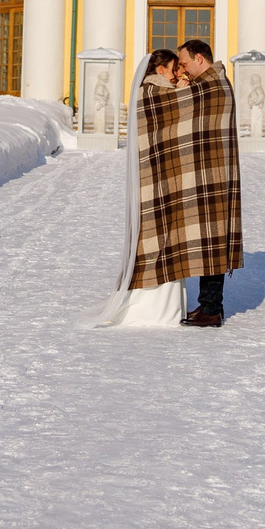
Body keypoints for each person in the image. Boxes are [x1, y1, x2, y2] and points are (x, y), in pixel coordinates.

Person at [94, 49, 186, 328]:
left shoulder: (152, 91)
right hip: (156, 178)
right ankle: (152, 309)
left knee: (163, 236)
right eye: (174, 69)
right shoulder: (155, 92)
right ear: (160, 71)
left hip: (158, 177)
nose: (178, 74)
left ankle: (157, 306)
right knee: (160, 237)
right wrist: (183, 92)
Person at [170, 39, 243, 327]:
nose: (183, 71)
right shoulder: (211, 85)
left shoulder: (212, 86)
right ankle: (209, 306)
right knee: (208, 240)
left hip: (213, 175)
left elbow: (181, 111)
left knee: (211, 241)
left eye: (185, 64)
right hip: (211, 173)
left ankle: (211, 309)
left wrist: (176, 94)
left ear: (199, 59)